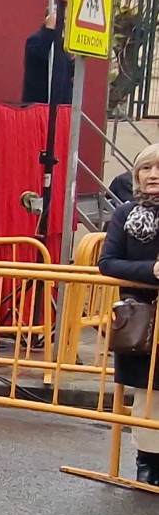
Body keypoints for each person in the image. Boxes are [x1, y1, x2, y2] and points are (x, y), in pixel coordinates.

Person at [97, 143, 159, 486]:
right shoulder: (125, 213)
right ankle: (148, 462)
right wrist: (152, 269)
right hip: (143, 319)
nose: (153, 175)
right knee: (149, 395)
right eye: (146, 168)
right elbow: (108, 262)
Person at [22, 8, 74, 105]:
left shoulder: (62, 45)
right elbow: (40, 56)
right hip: (40, 107)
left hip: (61, 108)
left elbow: (64, 74)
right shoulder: (35, 40)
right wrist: (49, 30)